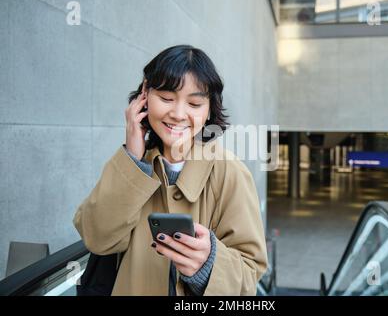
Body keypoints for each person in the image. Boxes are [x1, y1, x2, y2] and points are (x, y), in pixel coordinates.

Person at [73, 45, 267, 296]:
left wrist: (207, 266)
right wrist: (132, 158)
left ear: (209, 109)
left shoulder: (230, 172)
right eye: (166, 98)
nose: (177, 114)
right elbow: (96, 237)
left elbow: (250, 275)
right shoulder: (130, 165)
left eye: (195, 103)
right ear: (145, 94)